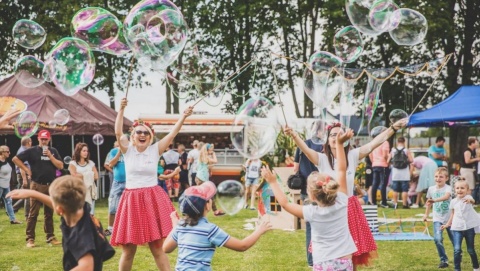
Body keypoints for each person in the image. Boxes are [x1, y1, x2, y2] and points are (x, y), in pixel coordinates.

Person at [285, 119, 408, 267]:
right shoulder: (322, 159)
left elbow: (374, 143)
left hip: (349, 208)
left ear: (346, 138)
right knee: (330, 249)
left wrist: (393, 128)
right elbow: (305, 149)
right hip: (328, 208)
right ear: (327, 139)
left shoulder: (353, 155)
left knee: (351, 254)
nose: (336, 137)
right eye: (332, 134)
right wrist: (293, 134)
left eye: (339, 134)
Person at [112, 98, 193, 271]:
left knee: (158, 248)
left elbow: (172, 134)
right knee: (128, 250)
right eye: (139, 132)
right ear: (133, 136)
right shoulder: (128, 150)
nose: (142, 135)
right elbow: (118, 133)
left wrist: (183, 117)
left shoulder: (155, 149)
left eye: (146, 133)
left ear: (150, 136)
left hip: (152, 199)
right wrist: (120, 109)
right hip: (131, 200)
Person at [262, 129, 357, 270]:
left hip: (322, 262)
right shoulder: (343, 201)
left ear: (311, 196)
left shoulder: (311, 212)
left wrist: (273, 182)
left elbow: (285, 204)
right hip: (345, 260)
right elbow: (341, 170)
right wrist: (340, 143)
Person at [7, 176, 115, 270]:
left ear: (59, 210)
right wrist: (33, 193)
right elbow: (60, 203)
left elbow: (86, 267)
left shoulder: (80, 233)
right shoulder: (79, 210)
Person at [163, 181, 272, 270]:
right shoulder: (210, 230)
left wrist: (175, 226)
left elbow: (166, 249)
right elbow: (241, 246)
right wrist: (259, 230)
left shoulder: (181, 226)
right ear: (207, 205)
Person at [12, 129, 63, 248]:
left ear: (49, 139)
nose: (44, 141)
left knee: (49, 213)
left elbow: (60, 166)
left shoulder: (53, 151)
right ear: (38, 139)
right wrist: (26, 170)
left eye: (46, 139)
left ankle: (50, 237)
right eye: (42, 139)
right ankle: (30, 239)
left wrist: (50, 156)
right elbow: (15, 159)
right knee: (33, 213)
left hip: (50, 185)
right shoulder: (32, 151)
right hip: (36, 184)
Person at [293, 133, 323, 267]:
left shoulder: (302, 144)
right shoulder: (325, 145)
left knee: (310, 228)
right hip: (323, 189)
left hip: (307, 190)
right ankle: (323, 257)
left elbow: (295, 168)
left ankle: (311, 261)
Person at [441, 179, 480, 271]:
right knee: (457, 250)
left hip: (469, 229)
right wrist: (447, 224)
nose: (460, 190)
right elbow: (452, 214)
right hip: (457, 229)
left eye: (462, 188)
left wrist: (469, 200)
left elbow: (473, 201)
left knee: (470, 250)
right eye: (457, 188)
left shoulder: (468, 198)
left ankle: (476, 267)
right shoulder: (453, 201)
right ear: (455, 190)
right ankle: (457, 269)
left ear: (467, 190)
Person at [422, 167, 453, 269]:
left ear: (446, 178)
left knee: (455, 241)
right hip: (437, 219)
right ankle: (443, 260)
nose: (438, 178)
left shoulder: (448, 188)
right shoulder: (431, 189)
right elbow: (428, 203)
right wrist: (426, 215)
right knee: (437, 239)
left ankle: (458, 254)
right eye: (436, 176)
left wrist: (434, 200)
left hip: (450, 219)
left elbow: (446, 197)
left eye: (441, 176)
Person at [68, 143, 99, 214]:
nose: (86, 153)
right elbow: (74, 176)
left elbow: (96, 176)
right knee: (78, 213)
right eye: (84, 151)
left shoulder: (91, 163)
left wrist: (81, 175)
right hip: (78, 190)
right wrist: (88, 174)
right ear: (79, 151)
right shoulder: (73, 163)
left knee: (90, 214)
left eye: (87, 151)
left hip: (89, 190)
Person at [105, 144, 126, 237]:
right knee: (112, 206)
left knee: (128, 207)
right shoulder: (113, 151)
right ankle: (110, 229)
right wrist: (119, 152)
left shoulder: (131, 151)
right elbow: (110, 164)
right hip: (117, 182)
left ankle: (125, 229)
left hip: (130, 182)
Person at [387, 136, 413, 209]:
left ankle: (395, 204)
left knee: (395, 190)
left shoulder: (393, 150)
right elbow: (411, 160)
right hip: (405, 174)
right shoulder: (406, 150)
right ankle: (405, 204)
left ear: (397, 142)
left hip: (395, 173)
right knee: (405, 190)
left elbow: (388, 160)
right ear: (404, 142)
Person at [0, 145, 21, 224]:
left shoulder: (6, 161)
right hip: (0, 186)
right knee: (8, 201)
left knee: (9, 202)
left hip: (6, 186)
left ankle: (13, 219)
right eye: (7, 152)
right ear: (2, 152)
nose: (9, 153)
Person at [12, 136, 32, 216]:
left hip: (23, 175)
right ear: (28, 142)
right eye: (30, 142)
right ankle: (28, 215)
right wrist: (24, 179)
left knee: (25, 193)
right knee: (28, 194)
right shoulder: (23, 151)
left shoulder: (22, 150)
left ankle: (13, 208)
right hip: (24, 175)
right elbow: (22, 167)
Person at [369, 136, 390, 208]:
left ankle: (373, 202)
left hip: (375, 164)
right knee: (383, 184)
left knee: (374, 183)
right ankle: (384, 202)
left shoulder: (374, 142)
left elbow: (370, 154)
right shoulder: (385, 142)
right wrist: (387, 161)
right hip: (383, 164)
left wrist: (373, 161)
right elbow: (385, 155)